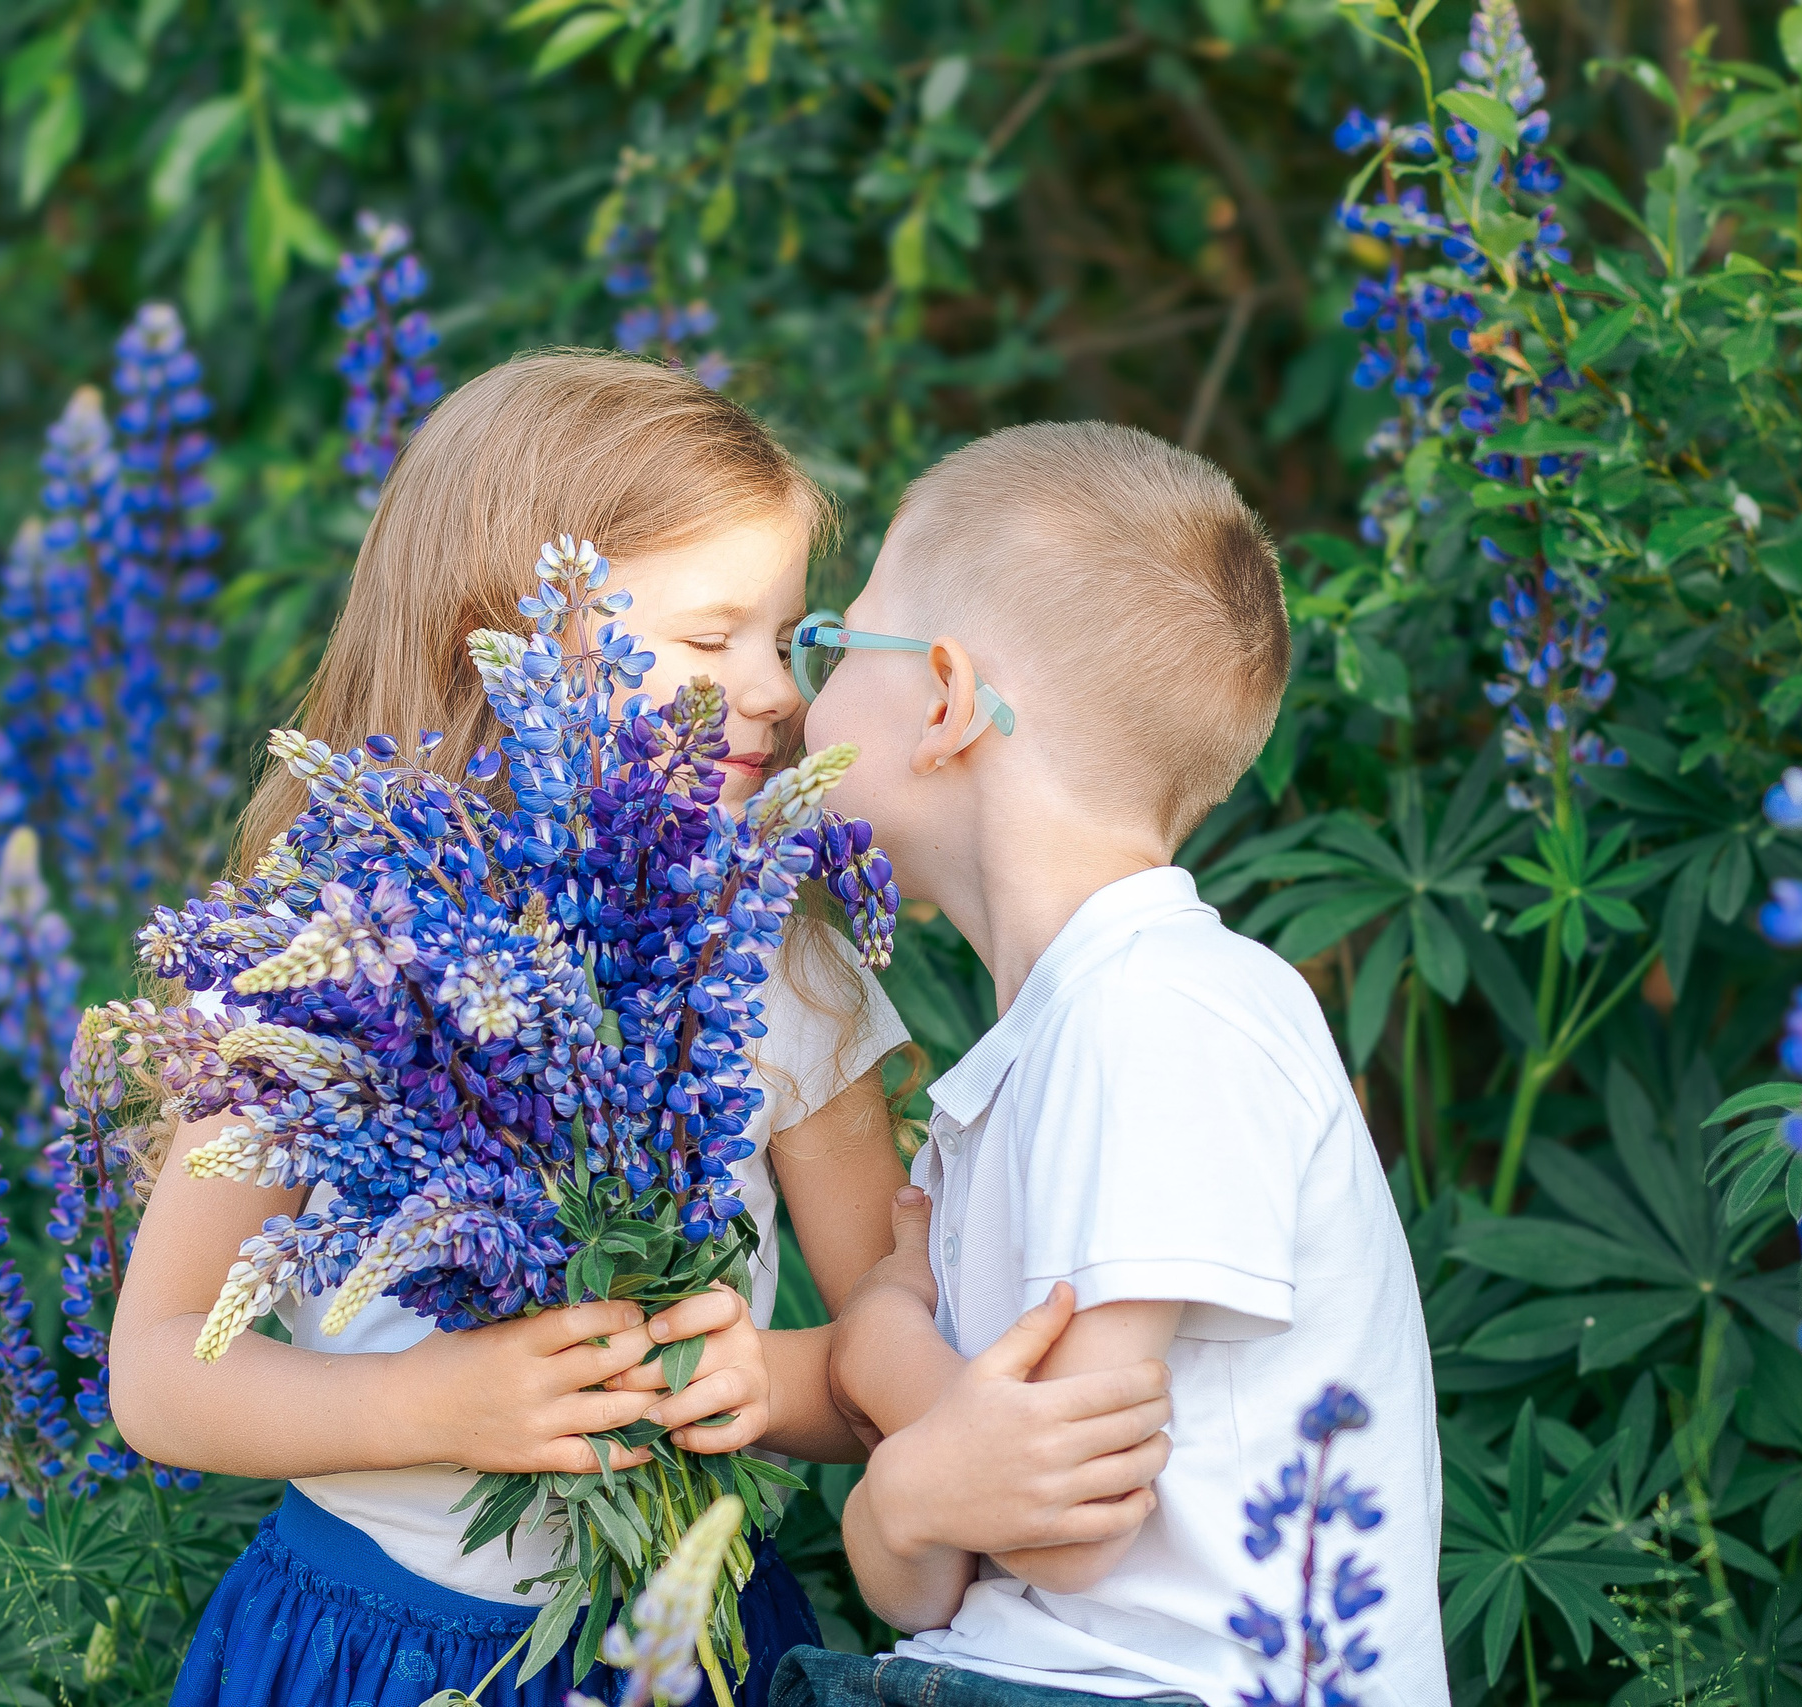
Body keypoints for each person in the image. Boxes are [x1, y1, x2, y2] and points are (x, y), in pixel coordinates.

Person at [109, 355, 1167, 1707]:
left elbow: (890, 1347)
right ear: (499, 641)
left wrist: (752, 1377)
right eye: (709, 636)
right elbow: (160, 1366)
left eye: (785, 637)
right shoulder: (322, 965)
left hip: (690, 1626)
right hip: (370, 1637)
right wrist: (431, 1405)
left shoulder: (780, 947)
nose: (775, 687)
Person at [787, 422, 1444, 1707]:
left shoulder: (1164, 1017)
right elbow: (921, 1574)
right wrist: (910, 1495)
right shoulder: (1055, 1046)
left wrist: (874, 1348)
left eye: (829, 642)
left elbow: (1059, 1521)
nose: (798, 692)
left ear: (942, 699)